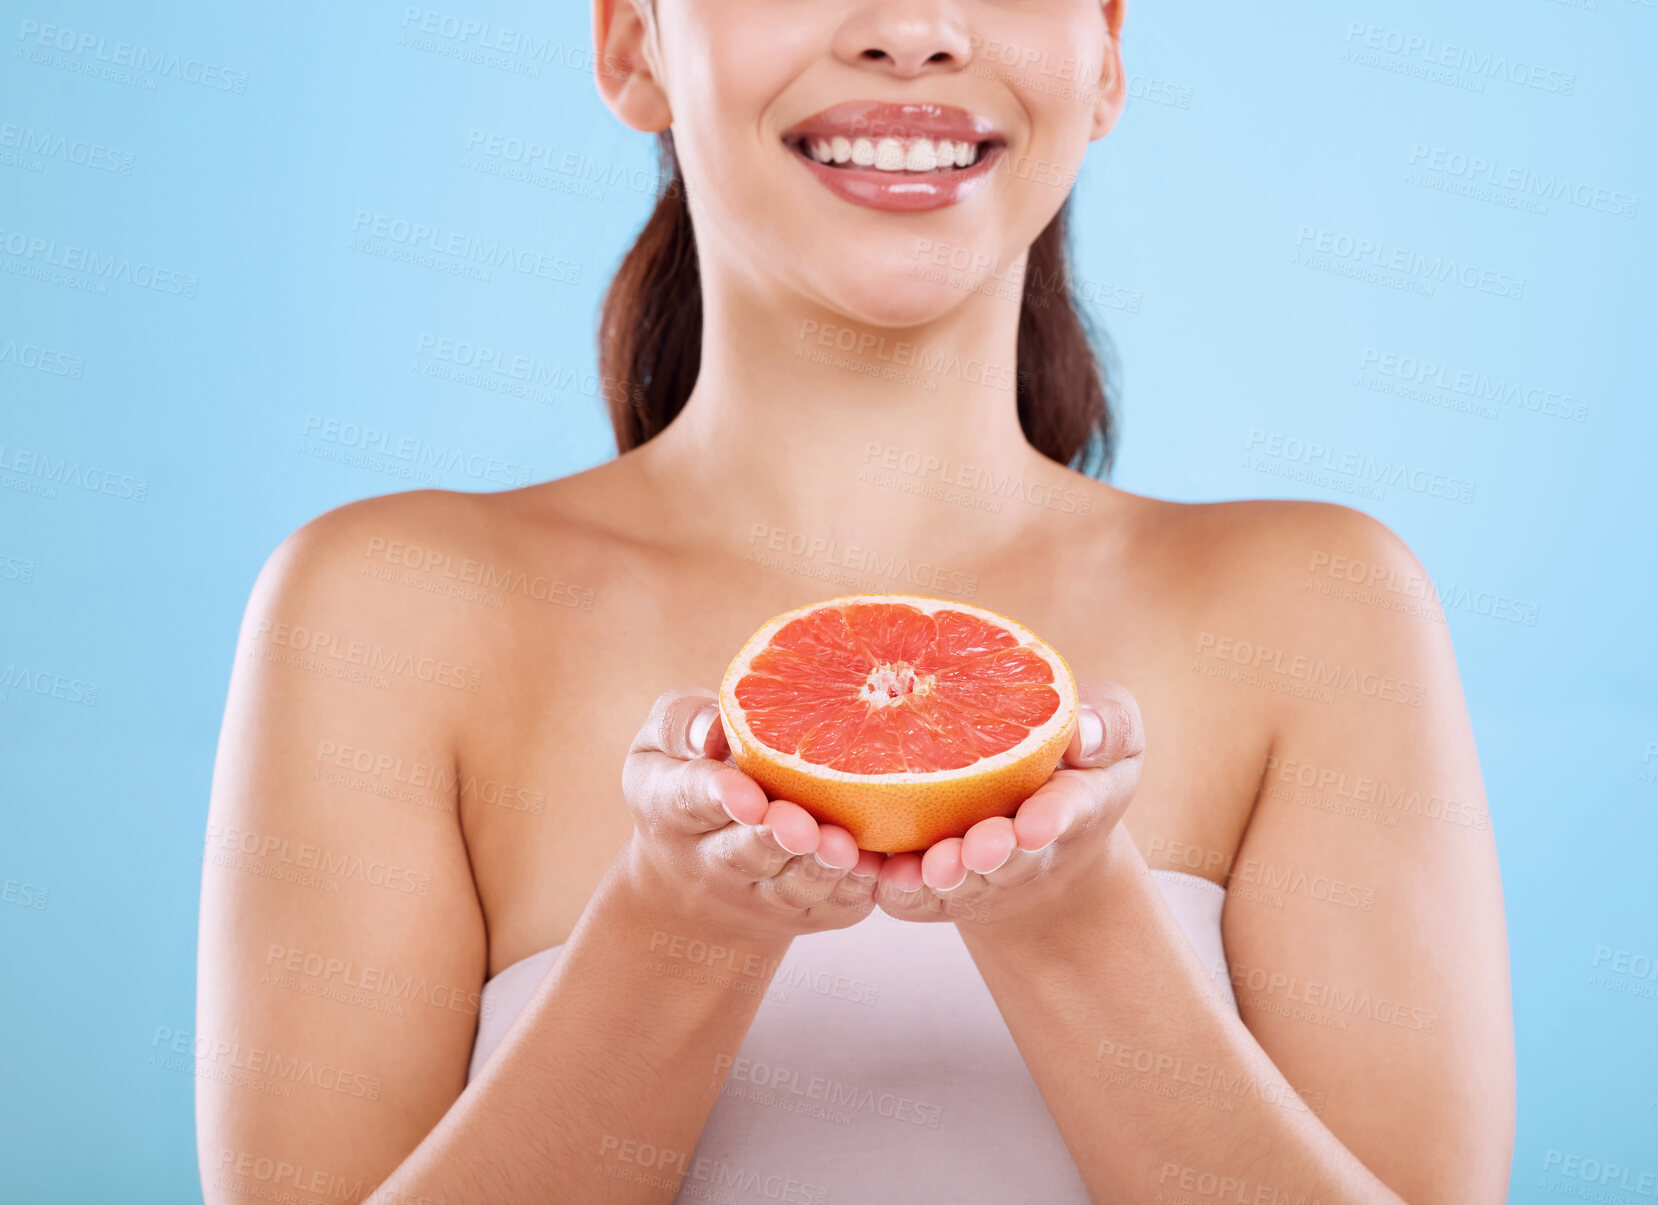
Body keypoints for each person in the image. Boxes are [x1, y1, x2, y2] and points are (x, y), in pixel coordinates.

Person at [196, 1, 1515, 1201]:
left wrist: (1067, 924)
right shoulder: (390, 613)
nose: (913, 28)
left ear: (1104, 53)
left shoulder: (1319, 611)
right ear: (630, 44)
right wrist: (678, 927)